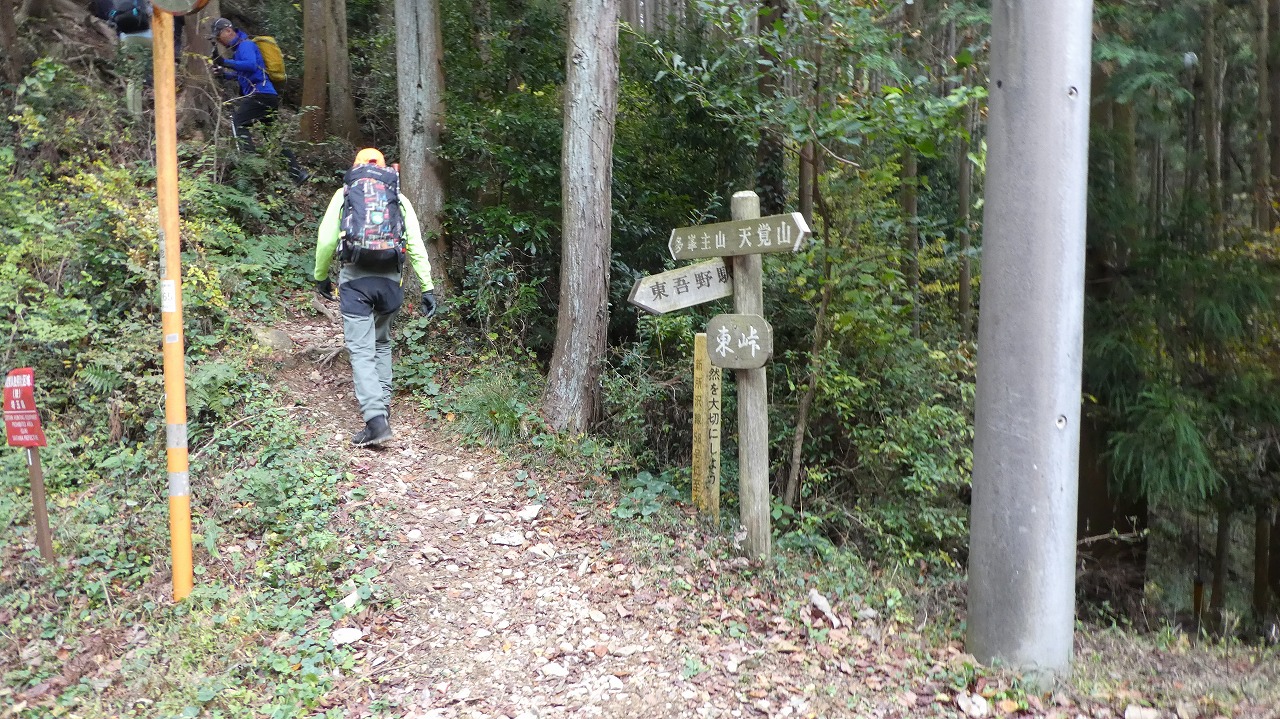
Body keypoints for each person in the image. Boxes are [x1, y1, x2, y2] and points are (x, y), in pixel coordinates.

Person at [314, 148, 438, 447]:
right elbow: (416, 245)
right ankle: (382, 407)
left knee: (361, 351)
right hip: (390, 284)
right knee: (381, 343)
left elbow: (327, 239)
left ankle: (375, 421)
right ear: (384, 169)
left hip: (356, 282)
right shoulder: (398, 198)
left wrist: (320, 276)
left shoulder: (344, 193)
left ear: (355, 167)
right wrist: (427, 287)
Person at [210, 17, 306, 183]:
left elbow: (251, 65)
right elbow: (244, 74)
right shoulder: (240, 49)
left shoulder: (245, 45)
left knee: (238, 122)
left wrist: (225, 62)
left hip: (261, 94)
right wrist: (224, 74)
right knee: (272, 137)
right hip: (268, 95)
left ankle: (250, 165)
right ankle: (298, 174)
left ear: (228, 30)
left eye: (219, 36)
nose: (219, 41)